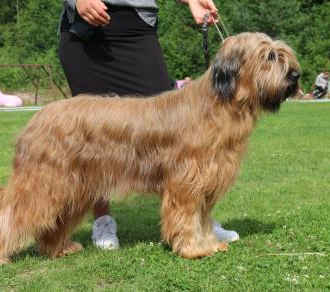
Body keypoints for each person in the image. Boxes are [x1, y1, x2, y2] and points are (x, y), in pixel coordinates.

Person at [58, 0, 239, 251]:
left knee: (172, 136)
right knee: (94, 142)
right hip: (85, 30)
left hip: (137, 29)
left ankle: (196, 221)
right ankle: (102, 220)